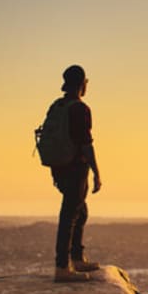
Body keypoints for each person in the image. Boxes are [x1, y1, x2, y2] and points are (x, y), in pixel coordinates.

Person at [51, 64, 103, 282]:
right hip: (75, 168)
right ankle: (63, 266)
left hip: (59, 167)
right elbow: (86, 144)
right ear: (83, 84)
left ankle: (77, 257)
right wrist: (96, 173)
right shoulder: (80, 109)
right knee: (70, 215)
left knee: (79, 212)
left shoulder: (58, 106)